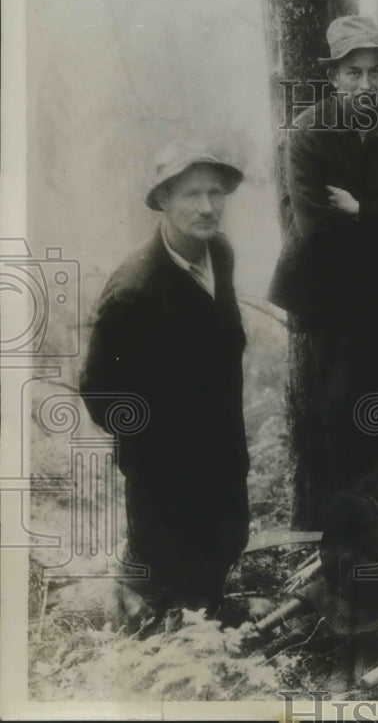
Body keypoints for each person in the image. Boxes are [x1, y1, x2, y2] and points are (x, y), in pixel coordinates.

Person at [268, 16, 378, 530]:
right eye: (354, 73)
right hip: (333, 297)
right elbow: (318, 228)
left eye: (375, 73)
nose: (366, 85)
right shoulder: (309, 134)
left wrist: (363, 209)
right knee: (345, 410)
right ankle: (355, 533)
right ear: (334, 77)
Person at [80, 142, 249, 630]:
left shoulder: (220, 252)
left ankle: (210, 620)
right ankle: (153, 641)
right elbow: (98, 389)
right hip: (163, 465)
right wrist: (157, 440)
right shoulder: (135, 289)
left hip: (221, 442)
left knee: (223, 541)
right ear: (162, 201)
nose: (206, 207)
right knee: (163, 574)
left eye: (216, 193)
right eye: (191, 194)